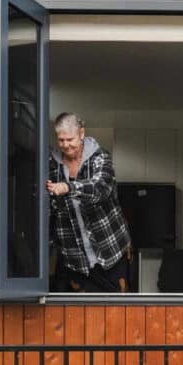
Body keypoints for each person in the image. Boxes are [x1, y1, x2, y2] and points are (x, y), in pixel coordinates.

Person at [46, 112, 132, 292]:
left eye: (70, 139)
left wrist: (69, 188)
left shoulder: (101, 158)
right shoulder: (51, 165)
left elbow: (100, 188)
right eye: (61, 140)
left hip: (110, 253)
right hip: (73, 258)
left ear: (81, 134)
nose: (65, 145)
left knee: (116, 313)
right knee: (75, 315)